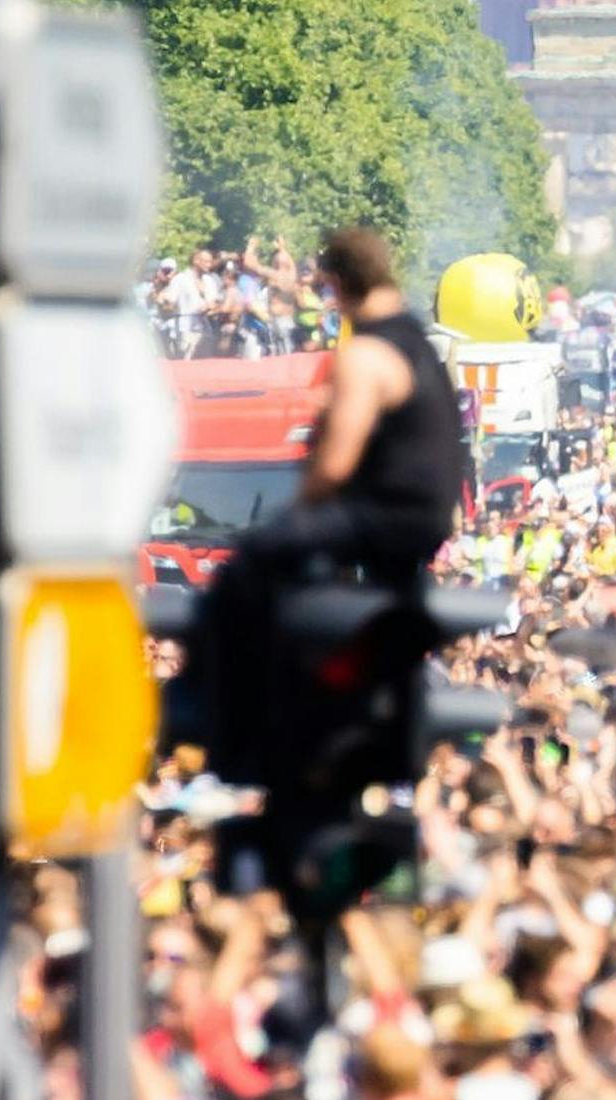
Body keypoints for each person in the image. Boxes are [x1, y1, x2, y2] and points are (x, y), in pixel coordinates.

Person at [188, 227, 463, 781]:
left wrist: (299, 498)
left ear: (336, 284)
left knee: (249, 565)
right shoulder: (418, 344)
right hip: (425, 519)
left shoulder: (367, 353)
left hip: (383, 517)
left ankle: (215, 713)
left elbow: (334, 467)